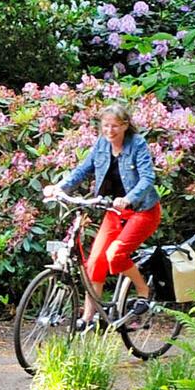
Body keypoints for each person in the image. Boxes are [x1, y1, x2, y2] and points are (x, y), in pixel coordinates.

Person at [44, 103, 161, 324]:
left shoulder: (137, 144)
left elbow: (147, 178)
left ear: (126, 125)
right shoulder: (101, 145)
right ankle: (89, 317)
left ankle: (143, 290)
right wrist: (60, 187)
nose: (109, 131)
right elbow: (83, 170)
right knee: (95, 261)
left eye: (115, 126)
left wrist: (129, 199)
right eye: (105, 126)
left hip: (141, 211)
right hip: (112, 211)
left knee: (115, 255)